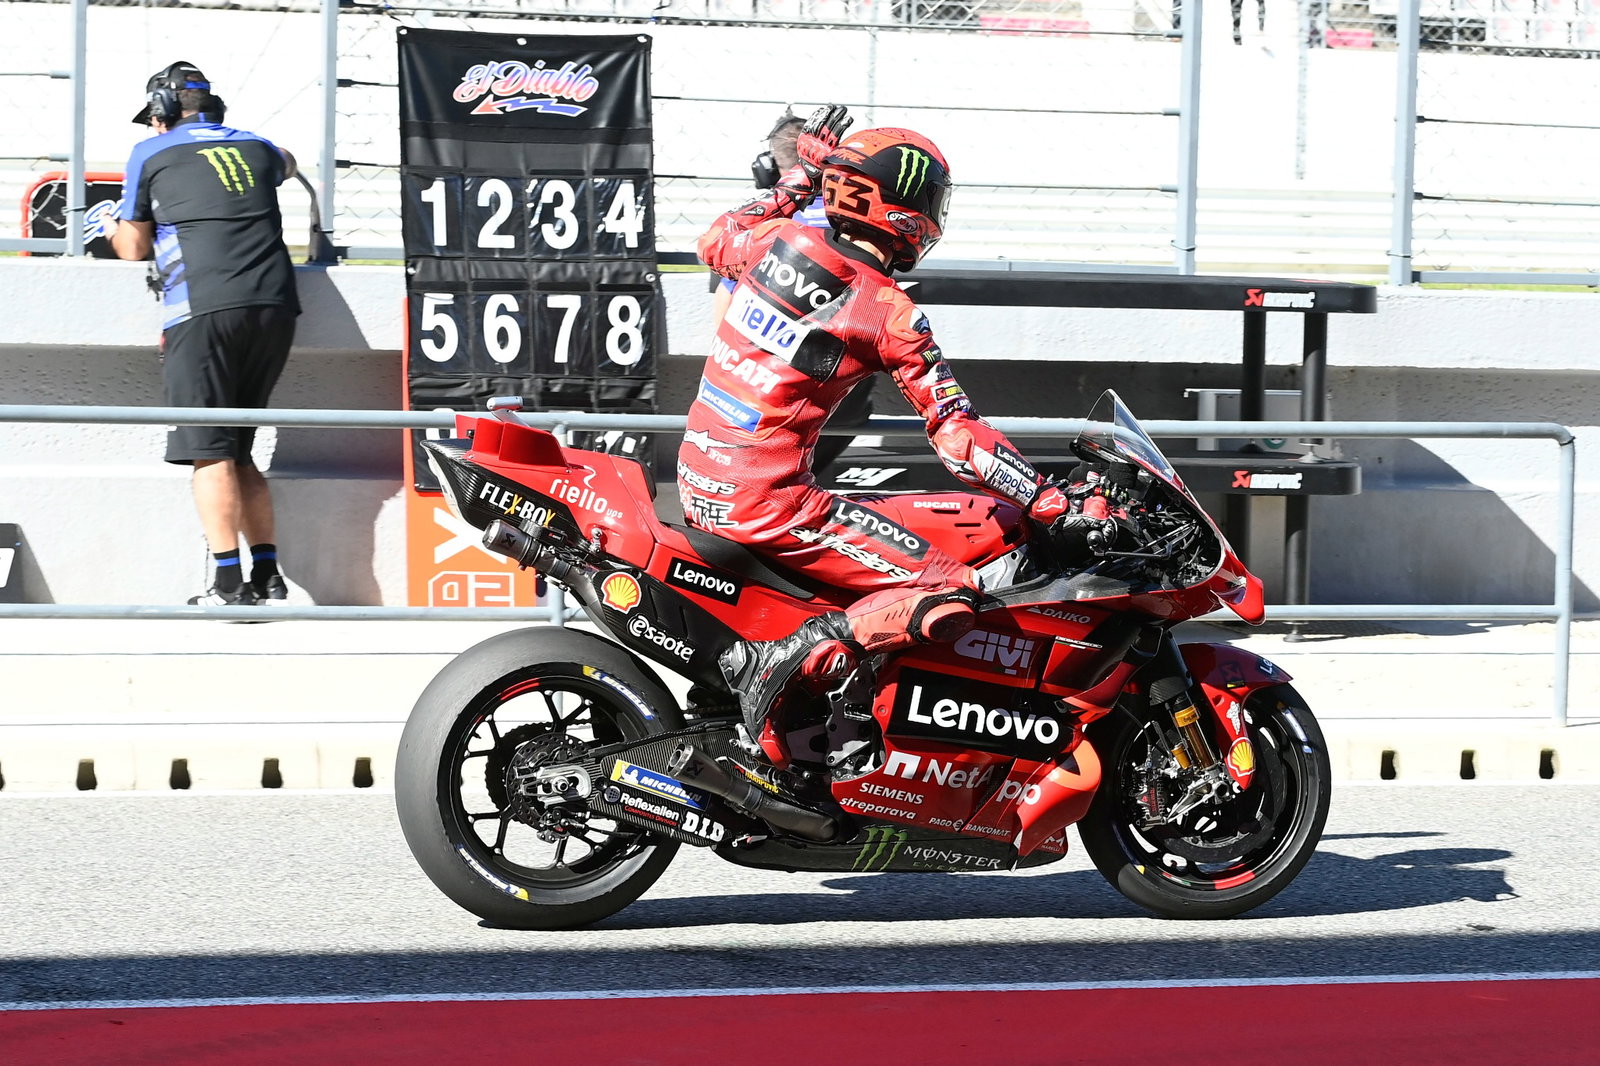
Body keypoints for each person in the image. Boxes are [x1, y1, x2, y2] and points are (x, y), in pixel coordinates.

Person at [683, 105, 1104, 754]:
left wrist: (800, 178)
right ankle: (786, 662)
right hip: (767, 503)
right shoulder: (887, 312)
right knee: (949, 586)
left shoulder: (773, 244)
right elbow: (958, 437)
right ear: (905, 208)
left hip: (700, 480)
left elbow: (715, 236)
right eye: (933, 199)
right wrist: (1051, 501)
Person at [111, 61, 301, 607]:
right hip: (276, 305)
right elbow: (287, 161)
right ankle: (267, 577)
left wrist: (107, 222)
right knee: (239, 451)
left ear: (162, 111)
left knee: (209, 453)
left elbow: (132, 247)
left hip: (203, 308)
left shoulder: (150, 151)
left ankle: (228, 585)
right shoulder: (258, 146)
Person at [712, 110, 872, 473]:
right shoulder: (857, 217)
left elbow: (724, 306)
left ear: (768, 169)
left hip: (767, 388)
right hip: (841, 388)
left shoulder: (763, 224)